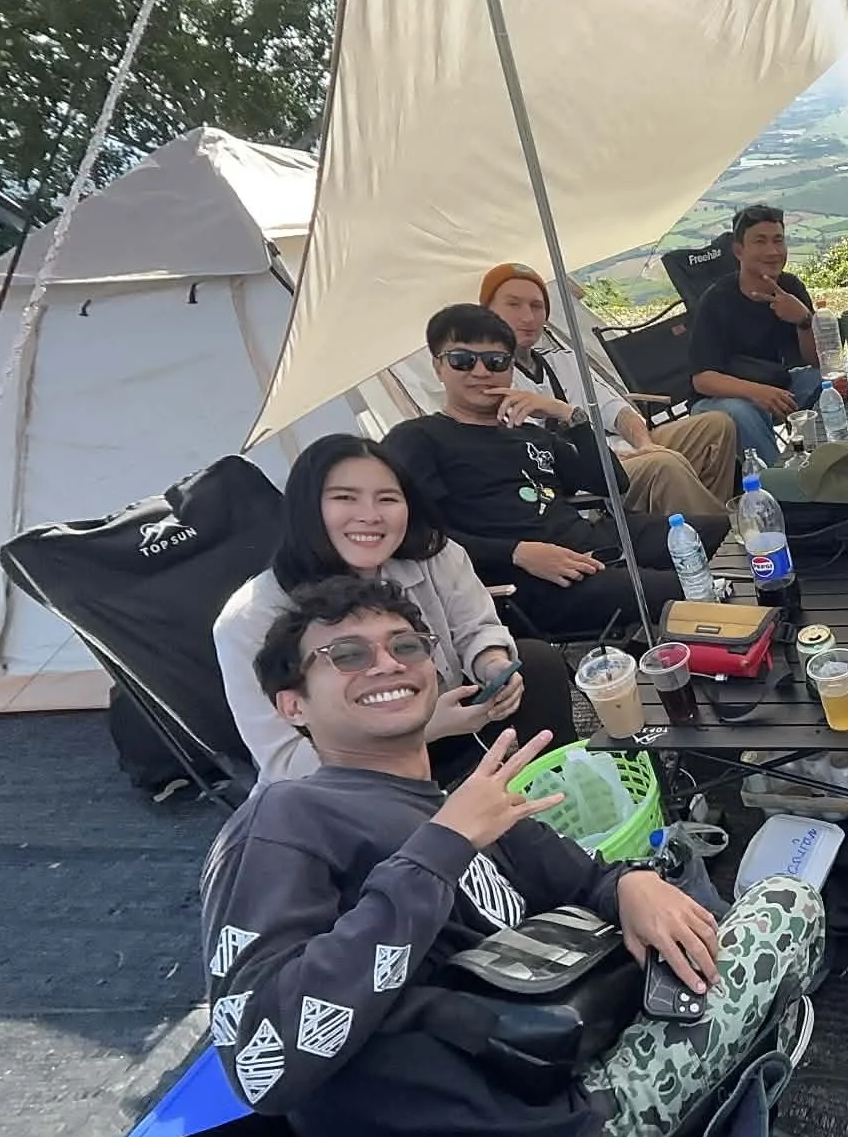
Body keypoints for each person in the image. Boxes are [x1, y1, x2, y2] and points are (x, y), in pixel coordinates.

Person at [203, 575, 825, 1137]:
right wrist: (441, 847)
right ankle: (725, 1103)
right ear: (291, 705)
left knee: (674, 882)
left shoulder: (458, 800)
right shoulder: (282, 820)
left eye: (405, 645)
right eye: (345, 655)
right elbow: (263, 1063)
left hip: (553, 1076)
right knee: (786, 904)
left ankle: (719, 1094)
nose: (385, 663)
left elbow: (587, 876)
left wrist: (633, 886)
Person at [214, 435, 576, 786]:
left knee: (536, 664)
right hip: (351, 776)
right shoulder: (249, 620)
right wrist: (425, 727)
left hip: (454, 714)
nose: (370, 516)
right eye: (345, 498)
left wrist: (493, 664)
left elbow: (476, 628)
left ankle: (562, 789)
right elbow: (285, 764)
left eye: (387, 498)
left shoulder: (433, 554)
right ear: (306, 508)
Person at [382, 304, 725, 640]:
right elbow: (415, 533)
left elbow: (612, 481)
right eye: (462, 360)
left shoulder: (528, 433)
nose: (481, 371)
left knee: (725, 534)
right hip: (530, 580)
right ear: (438, 367)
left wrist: (568, 415)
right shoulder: (417, 439)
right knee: (693, 586)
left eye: (495, 361)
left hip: (598, 541)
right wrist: (517, 552)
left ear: (510, 369)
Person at [481, 261, 738, 518]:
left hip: (622, 450)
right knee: (664, 465)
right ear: (487, 312)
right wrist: (612, 457)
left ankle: (704, 526)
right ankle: (723, 533)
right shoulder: (487, 381)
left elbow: (616, 408)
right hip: (587, 479)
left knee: (716, 426)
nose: (527, 317)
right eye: (513, 304)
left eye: (536, 306)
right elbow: (540, 458)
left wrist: (644, 444)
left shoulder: (564, 361)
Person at [686, 205, 827, 466]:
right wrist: (756, 392)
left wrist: (804, 321)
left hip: (776, 385)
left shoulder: (790, 287)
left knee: (828, 383)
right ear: (739, 251)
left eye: (778, 240)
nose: (772, 251)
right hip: (720, 399)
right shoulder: (717, 300)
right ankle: (780, 486)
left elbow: (819, 362)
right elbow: (702, 379)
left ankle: (827, 462)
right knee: (743, 412)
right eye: (760, 241)